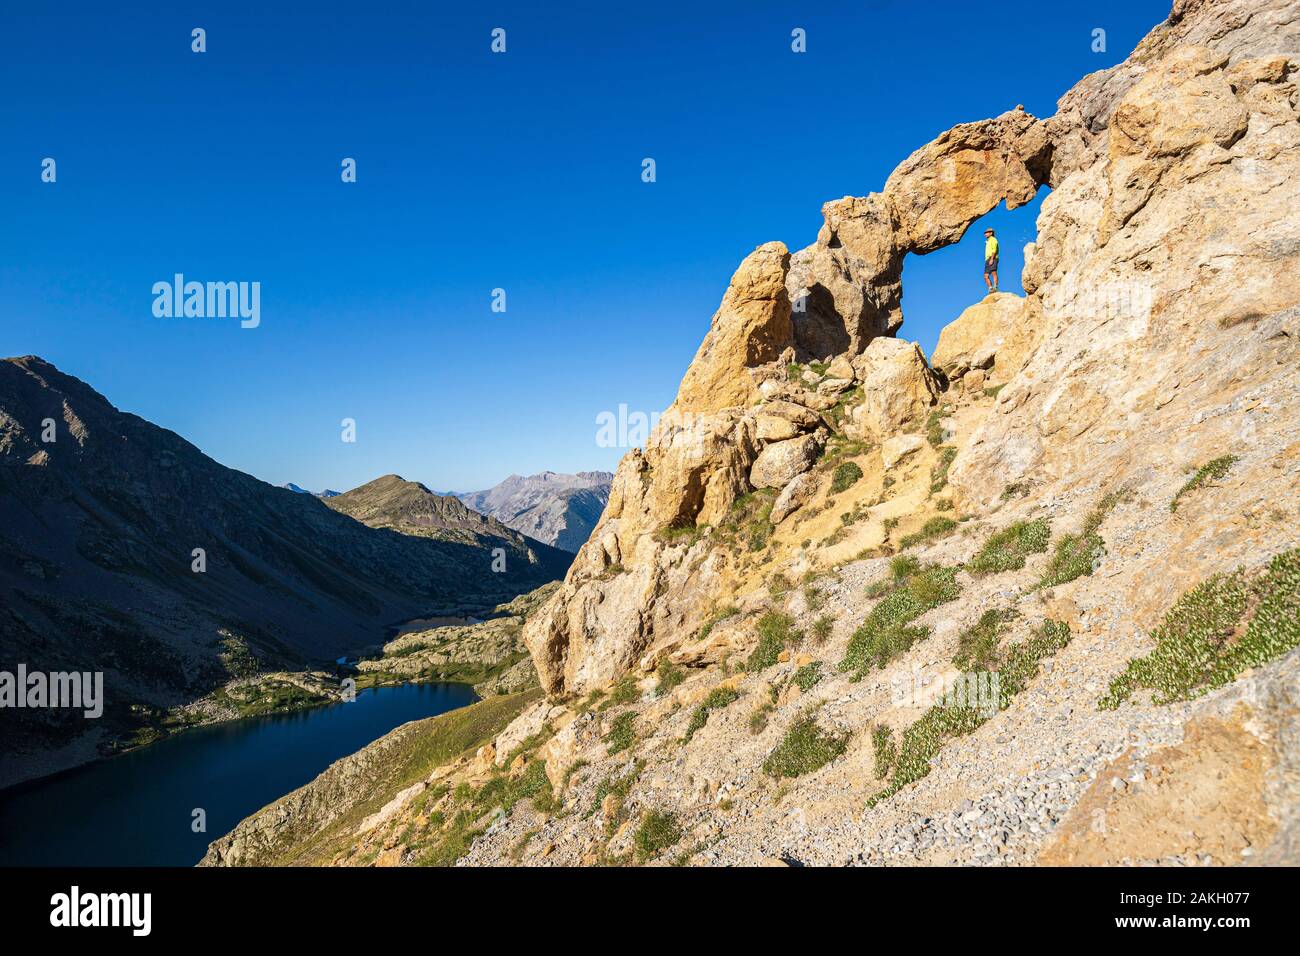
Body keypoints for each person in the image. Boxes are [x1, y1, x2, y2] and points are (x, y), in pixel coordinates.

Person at [983, 228, 999, 293]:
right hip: (987, 259)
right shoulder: (988, 241)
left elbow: (994, 250)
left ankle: (995, 287)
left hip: (993, 258)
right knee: (985, 276)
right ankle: (990, 288)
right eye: (985, 233)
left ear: (991, 233)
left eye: (987, 233)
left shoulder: (993, 240)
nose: (985, 234)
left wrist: (992, 259)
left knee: (993, 273)